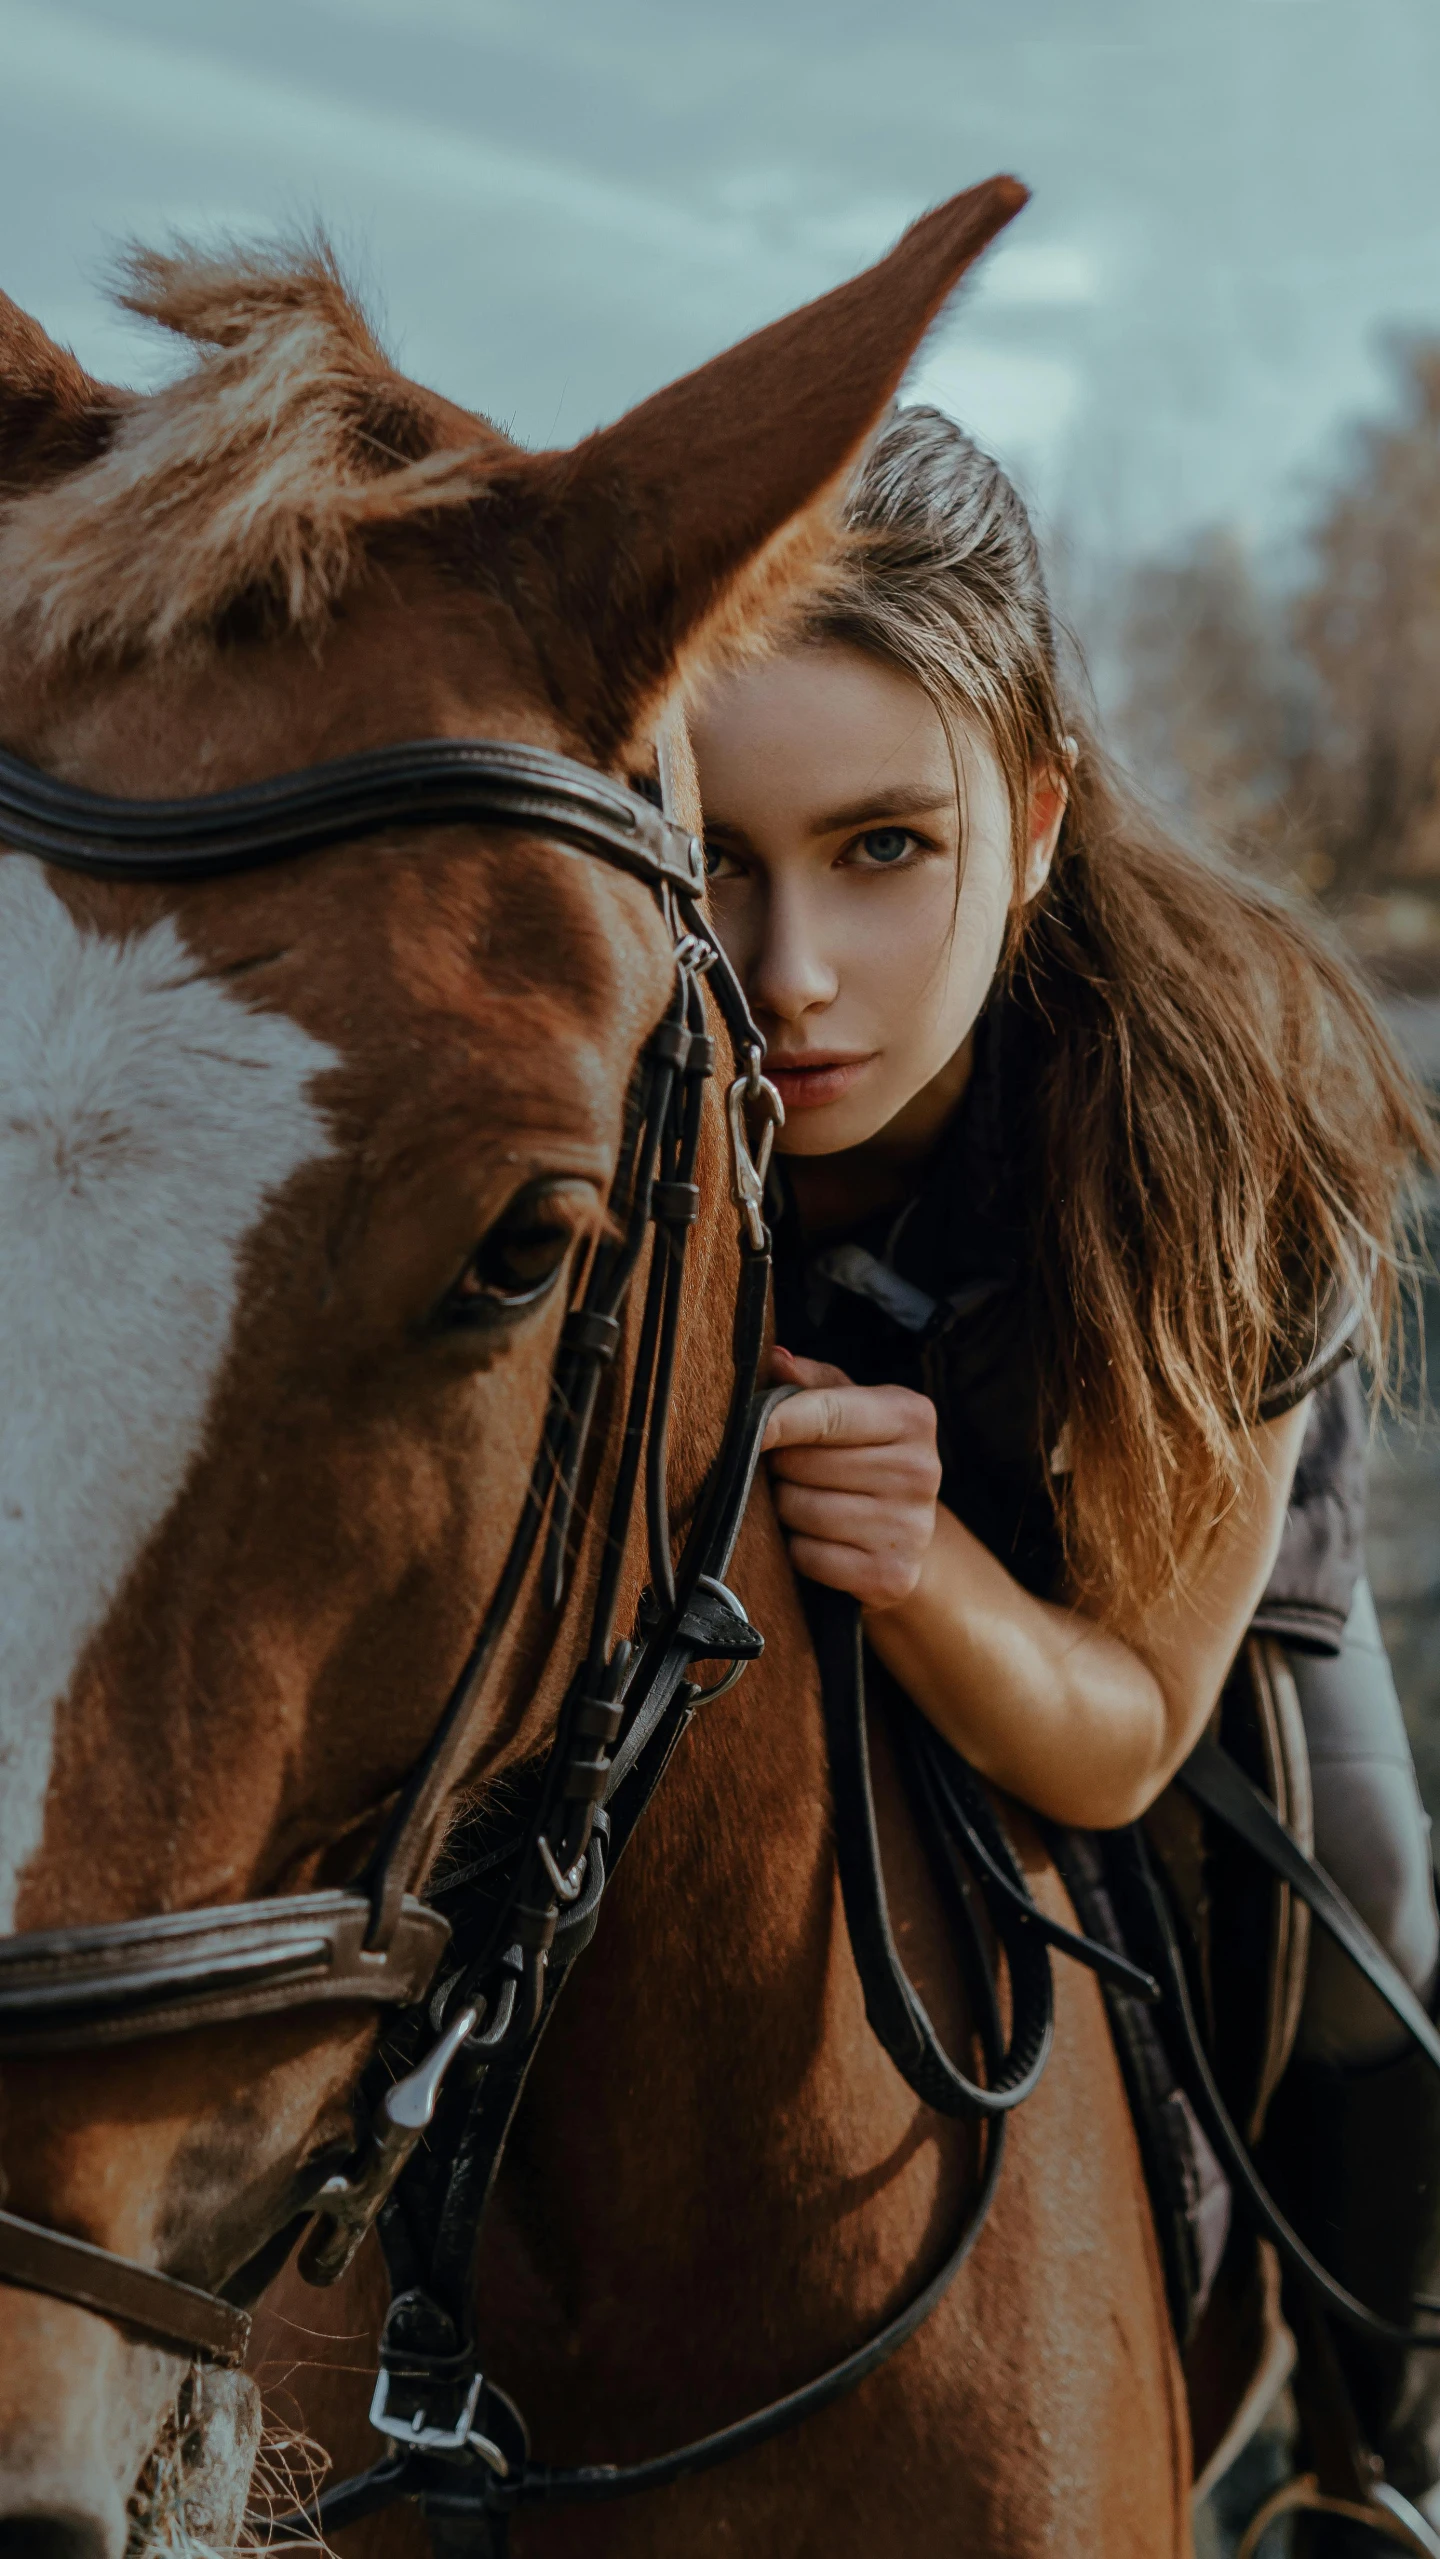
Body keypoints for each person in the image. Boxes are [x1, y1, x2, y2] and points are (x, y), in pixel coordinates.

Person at [690, 406, 1440, 2549]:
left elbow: (1115, 1743)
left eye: (882, 848)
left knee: (1362, 1876)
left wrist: (927, 1566)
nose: (790, 972)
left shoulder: (1223, 1110)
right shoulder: (642, 1034)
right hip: (845, 1513)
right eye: (716, 854)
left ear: (1028, 821)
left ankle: (1380, 2454)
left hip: (1153, 1571)